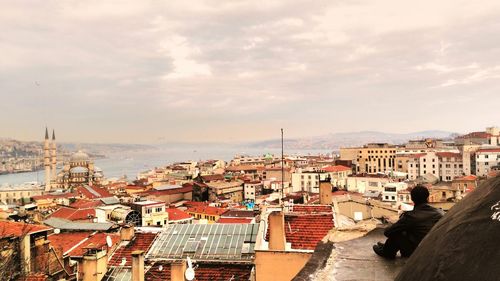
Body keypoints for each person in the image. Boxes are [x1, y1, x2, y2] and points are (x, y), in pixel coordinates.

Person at [373, 185, 444, 259]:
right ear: (427, 197)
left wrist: (392, 226)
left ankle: (387, 252)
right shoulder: (439, 212)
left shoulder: (411, 216)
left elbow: (388, 232)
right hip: (433, 248)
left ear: (412, 198)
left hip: (416, 251)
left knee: (398, 232)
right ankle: (386, 246)